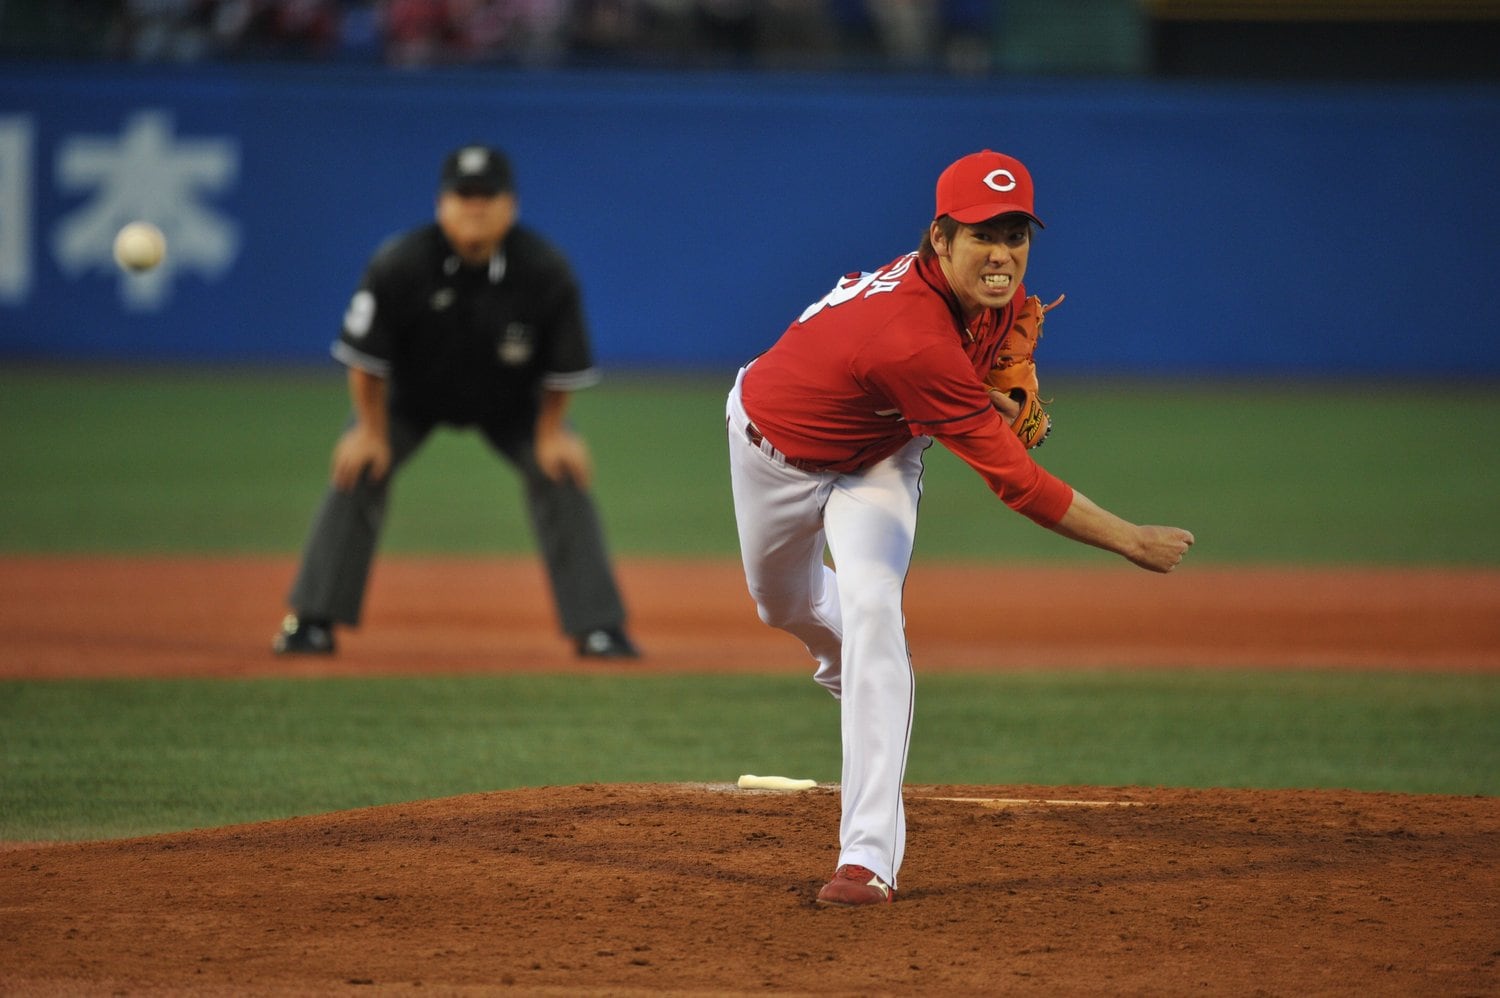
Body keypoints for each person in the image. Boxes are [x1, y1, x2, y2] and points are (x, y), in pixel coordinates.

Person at [726, 150, 1194, 906]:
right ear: (938, 239)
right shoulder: (906, 335)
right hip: (770, 450)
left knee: (875, 607)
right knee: (782, 607)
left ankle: (866, 858)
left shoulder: (996, 300)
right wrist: (1131, 539)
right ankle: (859, 670)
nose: (1002, 255)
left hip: (879, 457)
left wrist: (989, 397)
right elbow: (1017, 483)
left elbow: (964, 376)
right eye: (982, 234)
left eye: (1016, 235)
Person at [274, 144, 639, 660]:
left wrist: (552, 433)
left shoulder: (545, 270)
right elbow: (365, 360)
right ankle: (311, 621)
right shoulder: (400, 264)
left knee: (559, 470)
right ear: (441, 205)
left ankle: (600, 628)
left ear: (510, 207)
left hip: (512, 402)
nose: (475, 207)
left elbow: (562, 370)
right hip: (411, 398)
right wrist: (370, 431)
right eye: (463, 195)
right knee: (359, 465)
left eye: (487, 196)